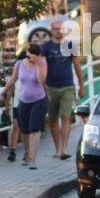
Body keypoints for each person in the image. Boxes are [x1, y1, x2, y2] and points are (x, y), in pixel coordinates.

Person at [41, 20, 84, 159]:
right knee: (53, 119)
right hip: (51, 87)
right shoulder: (46, 46)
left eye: (60, 28)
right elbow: (42, 66)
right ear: (51, 30)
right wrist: (42, 85)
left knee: (66, 117)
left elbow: (77, 66)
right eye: (55, 28)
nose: (57, 31)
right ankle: (58, 149)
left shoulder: (71, 45)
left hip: (67, 86)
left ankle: (64, 149)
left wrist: (82, 86)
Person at [3, 42, 48, 169]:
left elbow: (40, 80)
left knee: (34, 130)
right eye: (28, 53)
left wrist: (38, 63)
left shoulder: (43, 63)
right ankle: (27, 154)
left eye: (32, 54)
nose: (29, 56)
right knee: (25, 131)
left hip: (38, 100)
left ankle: (32, 160)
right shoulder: (19, 64)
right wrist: (3, 93)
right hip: (23, 101)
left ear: (37, 55)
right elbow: (12, 79)